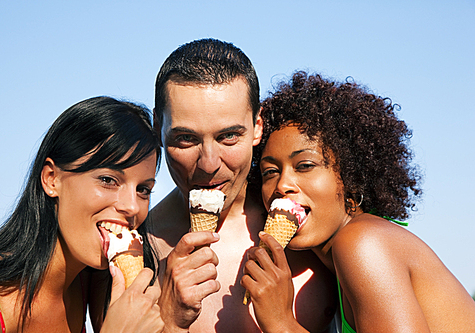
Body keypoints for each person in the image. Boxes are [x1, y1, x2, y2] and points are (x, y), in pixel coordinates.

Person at [241, 71, 475, 332]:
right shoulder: (330, 265)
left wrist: (281, 322)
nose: (282, 185)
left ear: (351, 177)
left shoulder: (363, 242)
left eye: (305, 165)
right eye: (269, 172)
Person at [147, 39, 337, 333]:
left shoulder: (319, 235)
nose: (209, 163)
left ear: (257, 126)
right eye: (186, 139)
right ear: (157, 128)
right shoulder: (132, 252)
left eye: (228, 137)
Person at [0, 96, 165, 333]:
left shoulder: (94, 281)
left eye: (143, 189)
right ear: (51, 179)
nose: (133, 207)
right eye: (108, 180)